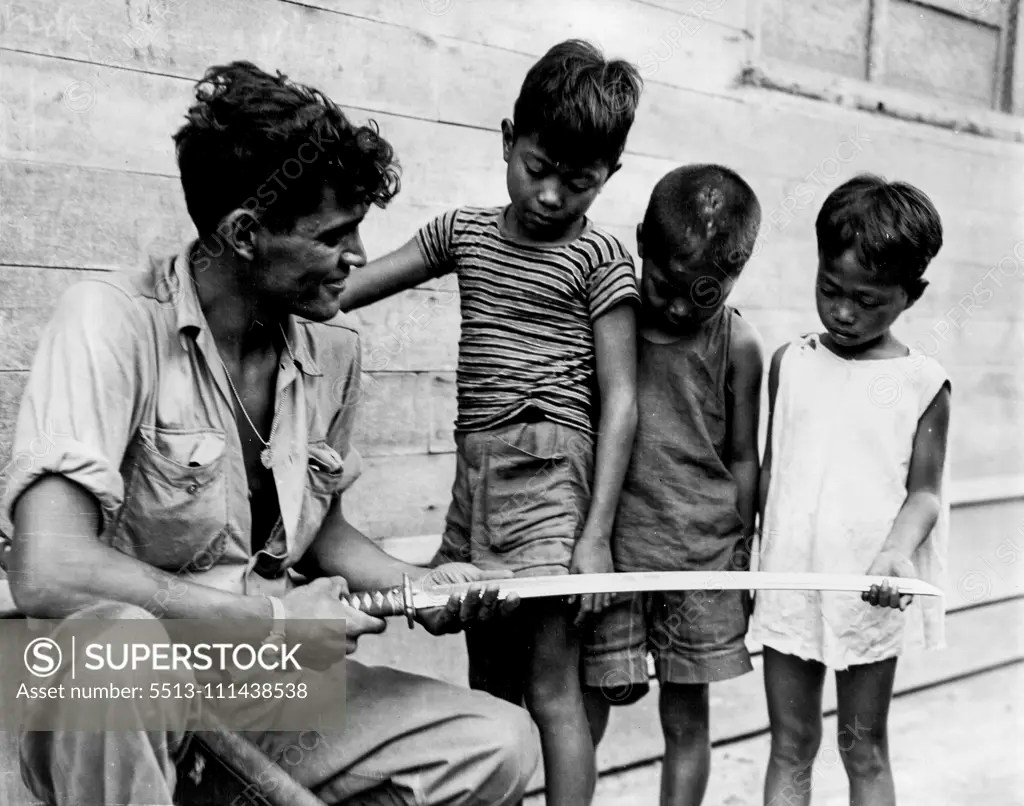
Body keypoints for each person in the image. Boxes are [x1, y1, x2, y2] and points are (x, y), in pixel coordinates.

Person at [1, 61, 540, 806]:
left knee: (499, 742)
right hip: (116, 703)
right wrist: (274, 618)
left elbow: (322, 537)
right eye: (333, 237)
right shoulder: (111, 321)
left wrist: (420, 587)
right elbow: (47, 566)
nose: (356, 260)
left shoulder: (333, 350)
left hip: (264, 688)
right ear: (246, 234)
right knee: (116, 650)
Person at [338, 39, 643, 806]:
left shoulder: (600, 258)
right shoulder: (464, 234)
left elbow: (623, 399)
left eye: (577, 184)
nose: (549, 197)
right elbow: (345, 289)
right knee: (489, 686)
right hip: (477, 481)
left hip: (550, 477)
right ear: (508, 139)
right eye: (536, 169)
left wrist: (595, 535)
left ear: (607, 177)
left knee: (550, 688)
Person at [749, 175, 950, 806]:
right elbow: (771, 472)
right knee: (791, 743)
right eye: (830, 290)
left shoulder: (924, 383)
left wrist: (895, 554)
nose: (842, 311)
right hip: (791, 582)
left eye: (867, 301)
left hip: (869, 586)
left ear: (910, 296)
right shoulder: (791, 362)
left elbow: (924, 493)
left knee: (862, 746)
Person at [581, 164, 764, 805]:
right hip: (616, 558)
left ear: (735, 279)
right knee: (594, 699)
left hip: (701, 559)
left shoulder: (738, 343)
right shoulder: (611, 322)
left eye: (705, 293)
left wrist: (740, 559)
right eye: (665, 285)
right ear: (639, 243)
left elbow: (743, 457)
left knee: (686, 720)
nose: (682, 305)